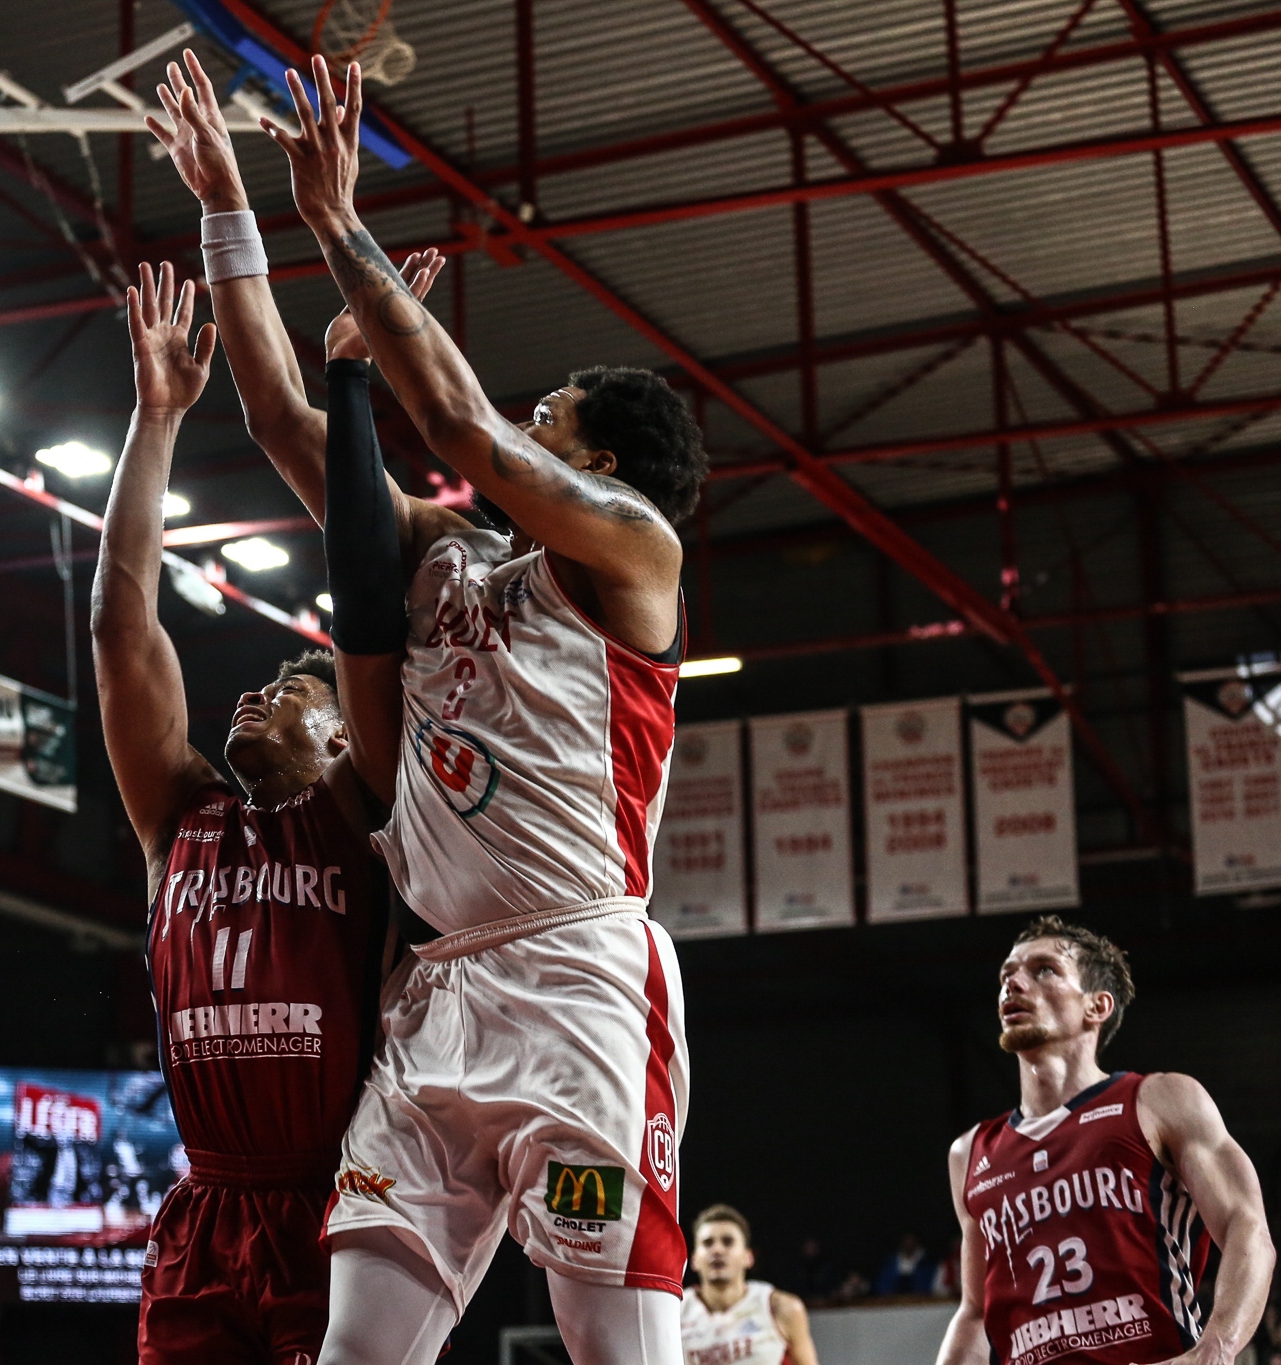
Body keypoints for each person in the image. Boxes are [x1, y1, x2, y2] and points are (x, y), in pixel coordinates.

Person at [150, 50, 709, 1365]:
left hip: (579, 993)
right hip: (439, 1002)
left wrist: (337, 222)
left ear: (603, 459)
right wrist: (233, 208)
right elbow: (289, 424)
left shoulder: (636, 558)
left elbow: (457, 422)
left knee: (613, 1341)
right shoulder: (458, 565)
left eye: (552, 416)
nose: (528, 416)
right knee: (357, 1349)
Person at [90, 261, 400, 1364]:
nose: (259, 691)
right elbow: (119, 632)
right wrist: (155, 420)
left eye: (294, 689)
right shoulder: (179, 816)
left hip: (338, 1201)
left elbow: (371, 593)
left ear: (341, 738)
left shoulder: (360, 811)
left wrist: (352, 394)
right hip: (206, 1210)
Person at [934, 916, 1275, 1365]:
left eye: (1044, 970)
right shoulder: (970, 1153)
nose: (1013, 983)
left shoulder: (1159, 1100)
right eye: (1007, 974)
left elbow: (1246, 1228)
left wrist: (1216, 1349)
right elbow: (976, 1314)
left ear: (1096, 1006)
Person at [680, 1206, 819, 1365]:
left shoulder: (780, 1307)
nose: (717, 1250)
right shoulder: (676, 1313)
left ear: (748, 1257)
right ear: (694, 1259)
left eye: (728, 1242)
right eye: (708, 1243)